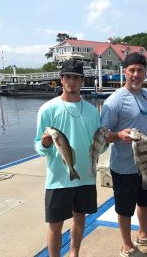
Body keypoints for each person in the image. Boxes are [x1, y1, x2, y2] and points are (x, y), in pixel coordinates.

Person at [34, 59, 101, 257]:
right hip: (58, 180)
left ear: (82, 81)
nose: (72, 81)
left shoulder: (92, 111)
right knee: (55, 226)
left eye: (76, 78)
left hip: (86, 178)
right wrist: (45, 143)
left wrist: (106, 141)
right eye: (68, 77)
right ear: (61, 80)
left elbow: (98, 146)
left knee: (80, 219)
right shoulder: (47, 109)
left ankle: (74, 254)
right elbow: (38, 146)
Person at [100, 52, 147, 257]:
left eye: (140, 70)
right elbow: (102, 136)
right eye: (132, 70)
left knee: (146, 202)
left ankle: (143, 233)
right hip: (124, 167)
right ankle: (126, 246)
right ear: (124, 72)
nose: (136, 74)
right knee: (125, 208)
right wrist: (117, 135)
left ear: (145, 73)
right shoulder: (114, 101)